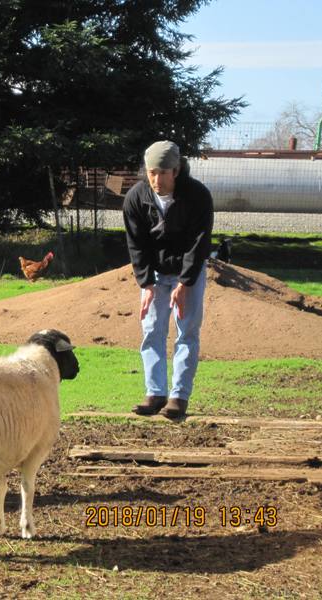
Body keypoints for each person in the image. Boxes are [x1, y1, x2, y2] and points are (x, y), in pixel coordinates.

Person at [122, 141, 213, 419]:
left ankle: (179, 397)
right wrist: (146, 283)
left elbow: (199, 244)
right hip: (156, 272)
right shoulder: (136, 198)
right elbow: (136, 244)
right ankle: (155, 393)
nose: (156, 180)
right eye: (151, 172)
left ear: (176, 171)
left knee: (186, 330)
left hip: (189, 270)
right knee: (151, 329)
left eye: (162, 173)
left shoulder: (197, 196)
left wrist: (185, 283)